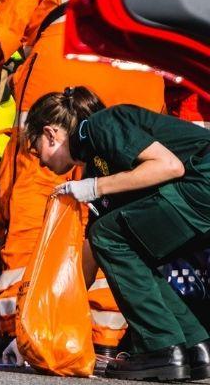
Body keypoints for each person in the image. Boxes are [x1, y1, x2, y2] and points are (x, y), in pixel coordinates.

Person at [0, 0, 165, 359]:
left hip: (64, 72)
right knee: (121, 210)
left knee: (38, 198)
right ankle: (101, 332)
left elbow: (7, 22)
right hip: (140, 84)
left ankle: (26, 324)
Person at [26, 88, 210, 381]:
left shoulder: (101, 125)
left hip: (202, 182)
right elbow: (92, 254)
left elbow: (169, 166)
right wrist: (36, 331)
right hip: (200, 194)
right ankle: (194, 347)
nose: (40, 162)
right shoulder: (98, 162)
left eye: (37, 149)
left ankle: (161, 348)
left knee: (109, 235)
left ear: (50, 134)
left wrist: (96, 188)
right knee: (129, 246)